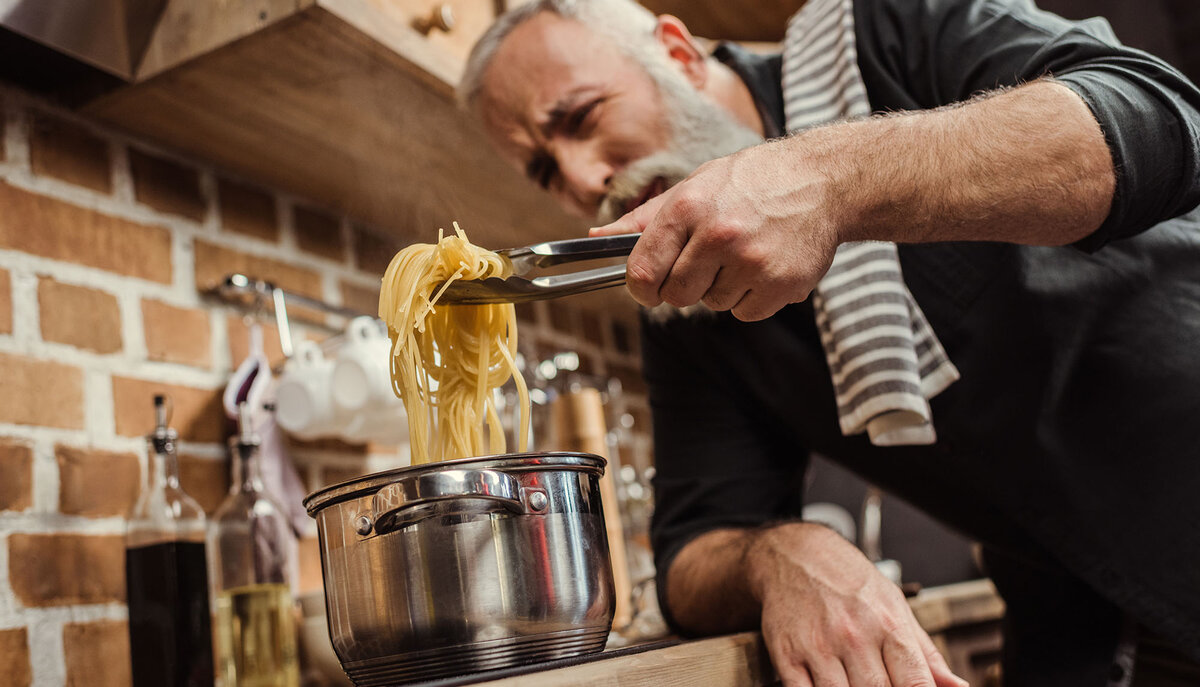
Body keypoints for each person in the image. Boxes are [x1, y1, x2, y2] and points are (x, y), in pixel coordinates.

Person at [459, 0, 1200, 685]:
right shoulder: (688, 315)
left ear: (679, 53)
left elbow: (1161, 118)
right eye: (545, 169)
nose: (585, 177)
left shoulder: (882, 28)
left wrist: (828, 178)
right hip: (1081, 606)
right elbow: (693, 543)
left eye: (583, 116)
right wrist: (781, 553)